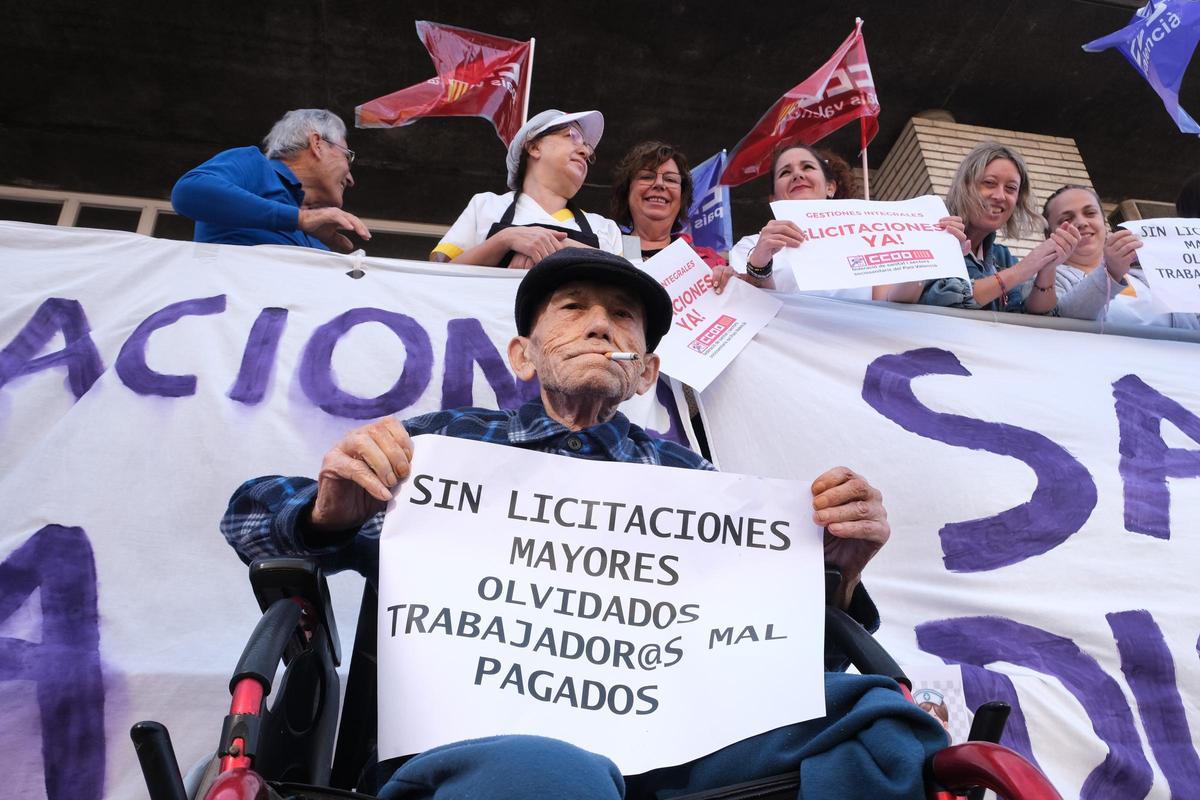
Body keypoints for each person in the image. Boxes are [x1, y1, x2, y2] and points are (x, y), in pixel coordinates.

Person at [221, 248, 946, 799]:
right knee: (550, 774)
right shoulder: (442, 448)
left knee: (884, 723)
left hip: (680, 741)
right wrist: (326, 514)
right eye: (573, 307)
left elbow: (774, 659)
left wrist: (840, 573)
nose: (601, 323)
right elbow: (249, 518)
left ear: (647, 371)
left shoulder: (698, 486)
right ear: (523, 354)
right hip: (482, 734)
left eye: (622, 317)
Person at [729, 143, 963, 301]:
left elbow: (893, 300)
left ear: (831, 187)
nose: (798, 175)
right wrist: (760, 262)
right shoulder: (751, 245)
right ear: (774, 198)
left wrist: (931, 252)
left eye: (807, 167)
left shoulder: (868, 234)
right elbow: (751, 308)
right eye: (785, 172)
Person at [430, 110, 622, 268]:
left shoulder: (606, 227)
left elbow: (632, 278)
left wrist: (564, 248)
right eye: (572, 136)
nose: (585, 151)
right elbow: (439, 270)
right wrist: (505, 239)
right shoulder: (485, 205)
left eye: (588, 149)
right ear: (533, 147)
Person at [171, 108, 370, 252]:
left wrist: (326, 252)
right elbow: (188, 192)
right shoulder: (255, 165)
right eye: (347, 157)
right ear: (317, 144)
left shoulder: (317, 233)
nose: (351, 180)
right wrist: (300, 220)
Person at [919, 141, 1076, 313]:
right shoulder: (929, 236)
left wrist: (1048, 267)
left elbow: (1032, 317)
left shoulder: (1003, 257)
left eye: (1010, 188)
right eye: (989, 183)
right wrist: (1021, 271)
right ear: (965, 186)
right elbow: (936, 298)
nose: (1000, 196)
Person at [1047, 185, 1200, 330]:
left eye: (1090, 213)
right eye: (1066, 219)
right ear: (1049, 235)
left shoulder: (1149, 274)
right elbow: (1060, 319)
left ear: (1105, 223)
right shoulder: (1045, 282)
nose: (1081, 223)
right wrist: (1110, 271)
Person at [609, 140, 736, 291]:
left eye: (670, 179)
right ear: (627, 191)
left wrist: (730, 284)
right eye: (647, 176)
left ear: (682, 197)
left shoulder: (708, 262)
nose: (659, 184)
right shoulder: (608, 247)